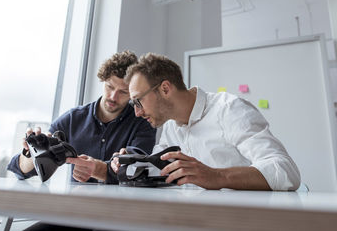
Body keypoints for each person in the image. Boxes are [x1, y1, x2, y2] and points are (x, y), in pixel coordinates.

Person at [116, 52, 300, 191]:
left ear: (165, 89)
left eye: (138, 101)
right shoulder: (171, 126)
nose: (137, 112)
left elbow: (286, 171)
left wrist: (217, 176)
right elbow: (161, 172)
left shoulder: (229, 109)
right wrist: (132, 164)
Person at [7, 50, 156, 185]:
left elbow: (138, 173)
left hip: (121, 210)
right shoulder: (73, 119)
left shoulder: (143, 122)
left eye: (123, 92)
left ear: (132, 93)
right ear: (103, 80)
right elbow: (20, 171)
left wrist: (97, 170)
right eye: (110, 87)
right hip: (75, 209)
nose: (113, 97)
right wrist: (33, 152)